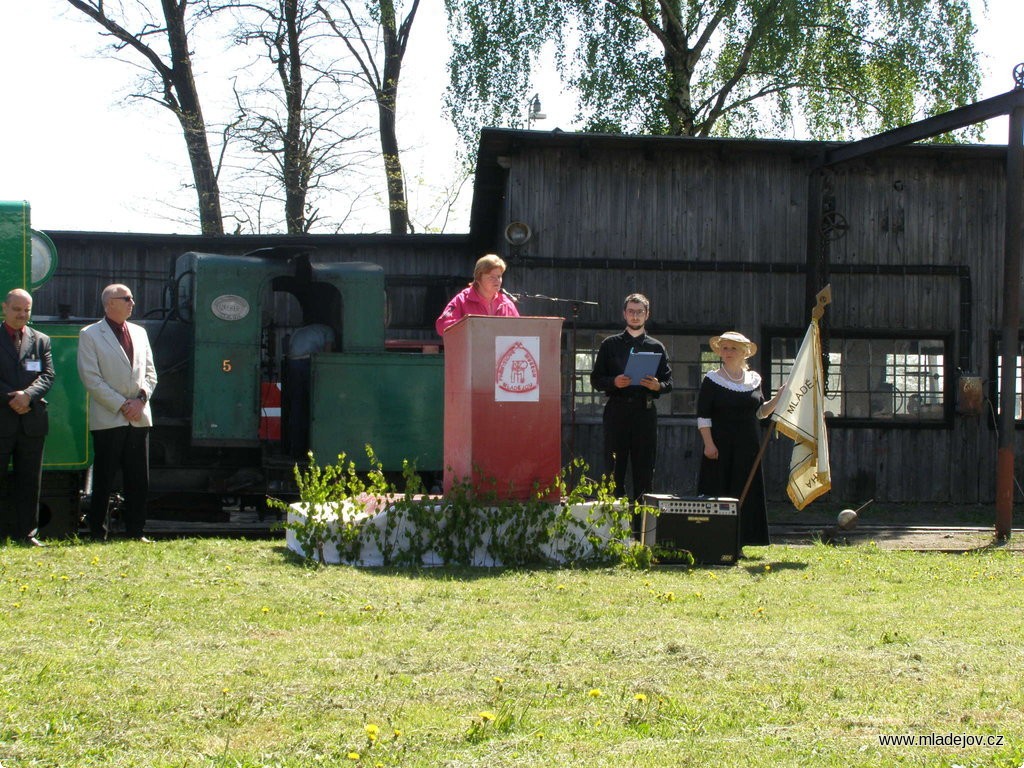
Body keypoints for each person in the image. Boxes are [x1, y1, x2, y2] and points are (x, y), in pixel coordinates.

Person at [77, 284, 158, 542]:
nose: (132, 302)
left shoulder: (140, 332)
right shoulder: (90, 334)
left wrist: (141, 399)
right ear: (110, 303)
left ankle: (136, 532)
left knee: (138, 480)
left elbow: (150, 373)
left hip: (139, 416)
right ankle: (97, 534)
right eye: (127, 298)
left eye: (132, 298)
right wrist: (124, 404)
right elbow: (91, 378)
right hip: (109, 417)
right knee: (104, 478)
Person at [697, 331, 784, 547]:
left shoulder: (754, 380)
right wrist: (708, 444)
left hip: (748, 446)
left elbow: (760, 413)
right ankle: (714, 541)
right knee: (719, 491)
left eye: (733, 348)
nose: (727, 352)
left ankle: (740, 541)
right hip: (719, 447)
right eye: (724, 348)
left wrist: (778, 399)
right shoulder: (712, 379)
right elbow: (703, 415)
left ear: (744, 352)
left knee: (745, 490)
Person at [590, 293, 672, 514]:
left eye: (640, 312)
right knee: (614, 468)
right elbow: (596, 379)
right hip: (617, 410)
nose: (635, 316)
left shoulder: (656, 346)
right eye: (631, 311)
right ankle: (612, 526)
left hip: (644, 412)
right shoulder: (610, 344)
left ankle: (641, 528)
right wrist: (614, 381)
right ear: (624, 313)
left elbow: (668, 381)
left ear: (647, 314)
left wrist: (658, 386)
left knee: (644, 470)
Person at [0, 289, 54, 546]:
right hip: (2, 417)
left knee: (30, 480)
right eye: (17, 309)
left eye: (27, 310)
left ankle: (27, 534)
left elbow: (47, 376)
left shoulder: (41, 339)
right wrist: (13, 397)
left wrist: (27, 396)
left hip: (32, 422)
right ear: (4, 308)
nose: (22, 314)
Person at [435, 254, 520, 335]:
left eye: (499, 276)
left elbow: (520, 331)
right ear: (478, 279)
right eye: (491, 277)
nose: (497, 281)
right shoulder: (461, 300)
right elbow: (442, 326)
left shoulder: (507, 304)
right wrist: (470, 325)